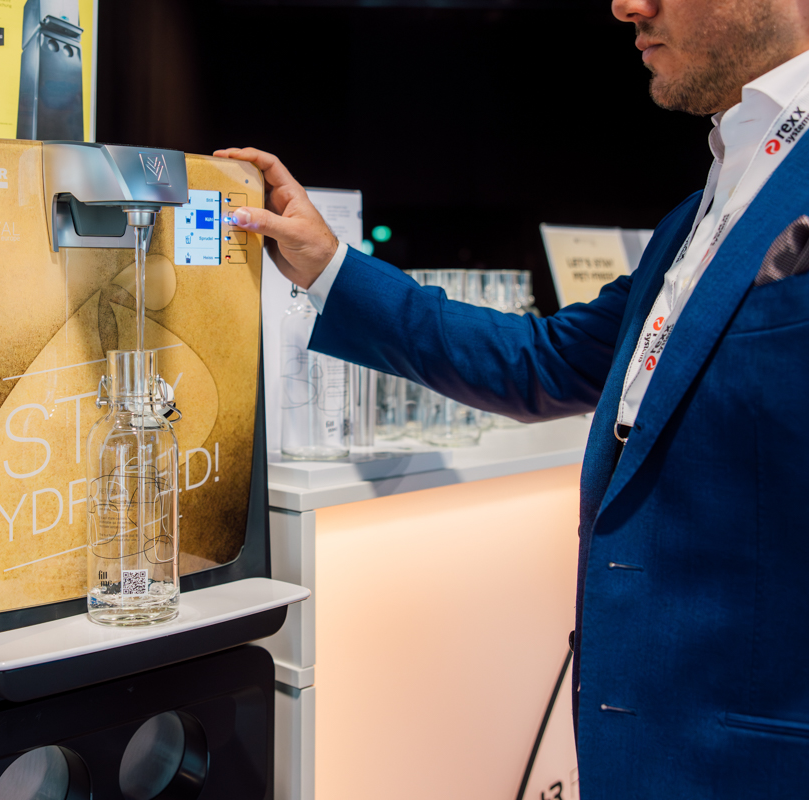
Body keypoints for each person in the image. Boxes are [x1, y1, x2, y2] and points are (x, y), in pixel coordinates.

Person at [216, 0, 809, 795]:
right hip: (642, 743)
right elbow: (544, 361)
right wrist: (329, 266)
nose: (627, 5)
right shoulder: (699, 212)